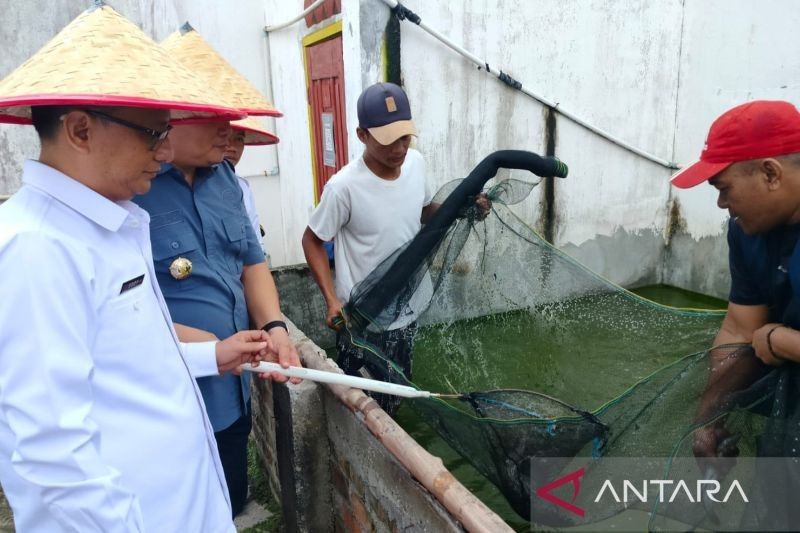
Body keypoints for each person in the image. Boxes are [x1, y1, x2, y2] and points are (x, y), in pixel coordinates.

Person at [0, 5, 269, 531]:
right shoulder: (36, 247)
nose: (165, 151)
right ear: (80, 130)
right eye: (153, 133)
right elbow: (54, 460)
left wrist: (212, 354)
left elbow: (128, 349)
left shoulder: (111, 223)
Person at [135, 25, 299, 518]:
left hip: (233, 385)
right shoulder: (132, 190)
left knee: (226, 496)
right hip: (170, 394)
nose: (229, 128)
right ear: (168, 116)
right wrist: (210, 349)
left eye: (231, 114)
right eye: (213, 115)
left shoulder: (225, 180)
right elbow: (131, 310)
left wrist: (273, 325)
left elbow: (253, 261)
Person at [302, 82, 489, 414]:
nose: (400, 148)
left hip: (409, 304)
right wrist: (331, 300)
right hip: (364, 315)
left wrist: (464, 209)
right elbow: (312, 240)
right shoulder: (344, 188)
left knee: (398, 392)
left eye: (405, 137)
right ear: (362, 135)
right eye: (388, 139)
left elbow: (424, 211)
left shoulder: (416, 164)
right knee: (364, 404)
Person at [670, 100, 800, 462]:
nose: (722, 204)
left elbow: (763, 337)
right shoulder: (746, 232)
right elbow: (740, 330)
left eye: (724, 188)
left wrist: (782, 340)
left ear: (771, 174)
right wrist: (709, 419)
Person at [224, 116, 280, 264]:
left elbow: (256, 243)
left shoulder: (242, 187)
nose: (233, 147)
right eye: (225, 137)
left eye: (239, 139)